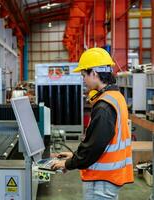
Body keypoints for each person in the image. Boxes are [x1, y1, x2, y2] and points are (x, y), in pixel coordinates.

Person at [51, 47, 134, 200]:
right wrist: (75, 156)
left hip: (102, 179)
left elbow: (95, 146)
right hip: (110, 175)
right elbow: (100, 141)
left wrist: (68, 163)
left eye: (84, 75)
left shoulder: (104, 106)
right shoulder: (116, 97)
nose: (83, 80)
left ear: (94, 73)